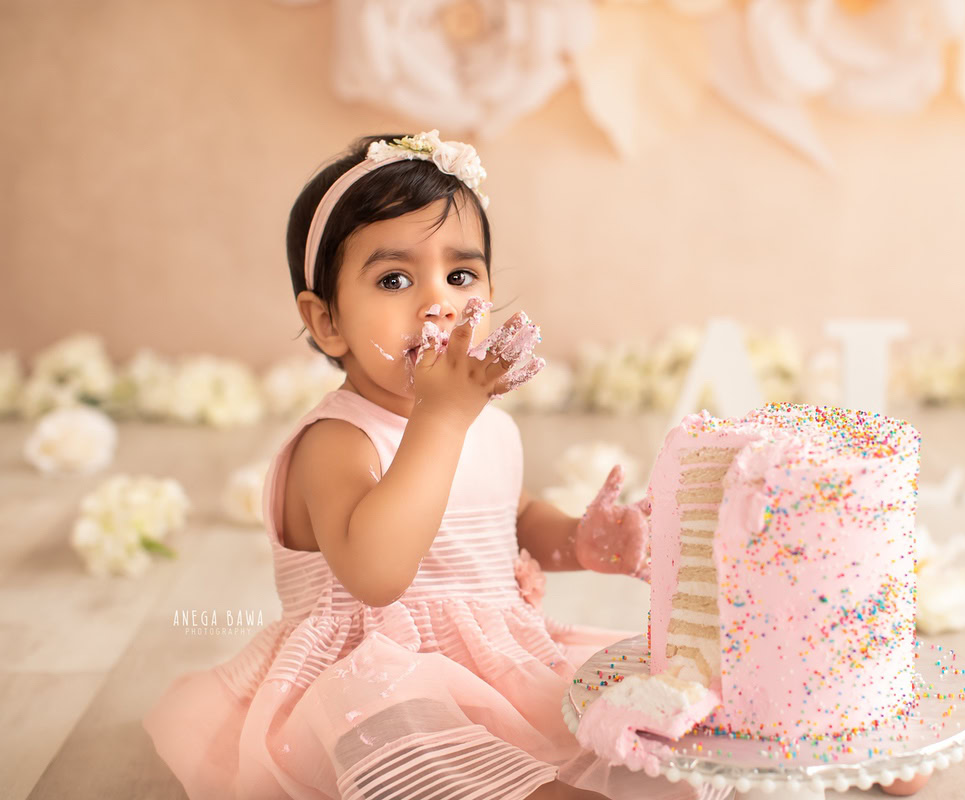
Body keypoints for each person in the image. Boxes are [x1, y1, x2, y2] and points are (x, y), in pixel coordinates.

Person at [142, 131, 728, 800]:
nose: (438, 302)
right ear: (327, 320)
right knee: (406, 736)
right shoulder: (337, 440)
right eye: (394, 279)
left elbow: (512, 518)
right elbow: (377, 574)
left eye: (460, 275)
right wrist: (442, 419)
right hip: (370, 680)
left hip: (498, 662)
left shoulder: (489, 425)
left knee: (652, 697)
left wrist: (578, 542)